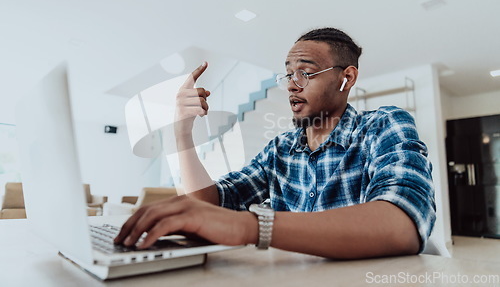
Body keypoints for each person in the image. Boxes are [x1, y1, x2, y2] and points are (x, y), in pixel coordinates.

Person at [115, 27, 436, 259]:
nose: (292, 86)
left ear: (346, 78)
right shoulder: (280, 150)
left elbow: (402, 223)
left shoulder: (383, 126)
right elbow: (209, 204)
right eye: (288, 74)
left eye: (305, 73)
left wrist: (252, 226)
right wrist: (182, 134)